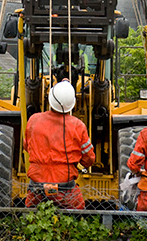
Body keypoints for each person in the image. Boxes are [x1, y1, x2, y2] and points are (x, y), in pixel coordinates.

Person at [24, 80, 95, 210]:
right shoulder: (78, 125)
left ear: (50, 99)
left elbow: (27, 146)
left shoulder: (33, 120)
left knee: (30, 217)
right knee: (77, 215)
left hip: (37, 189)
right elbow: (89, 159)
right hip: (65, 190)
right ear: (72, 104)